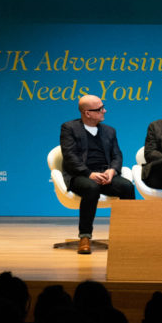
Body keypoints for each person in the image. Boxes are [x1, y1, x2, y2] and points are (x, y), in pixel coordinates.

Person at [60, 94, 136, 254]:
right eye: (100, 109)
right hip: (80, 175)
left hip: (105, 174)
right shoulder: (69, 128)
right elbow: (70, 156)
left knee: (127, 187)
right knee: (91, 188)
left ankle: (127, 235)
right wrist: (89, 174)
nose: (104, 111)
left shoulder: (109, 131)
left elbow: (117, 155)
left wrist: (112, 170)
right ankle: (85, 237)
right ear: (87, 113)